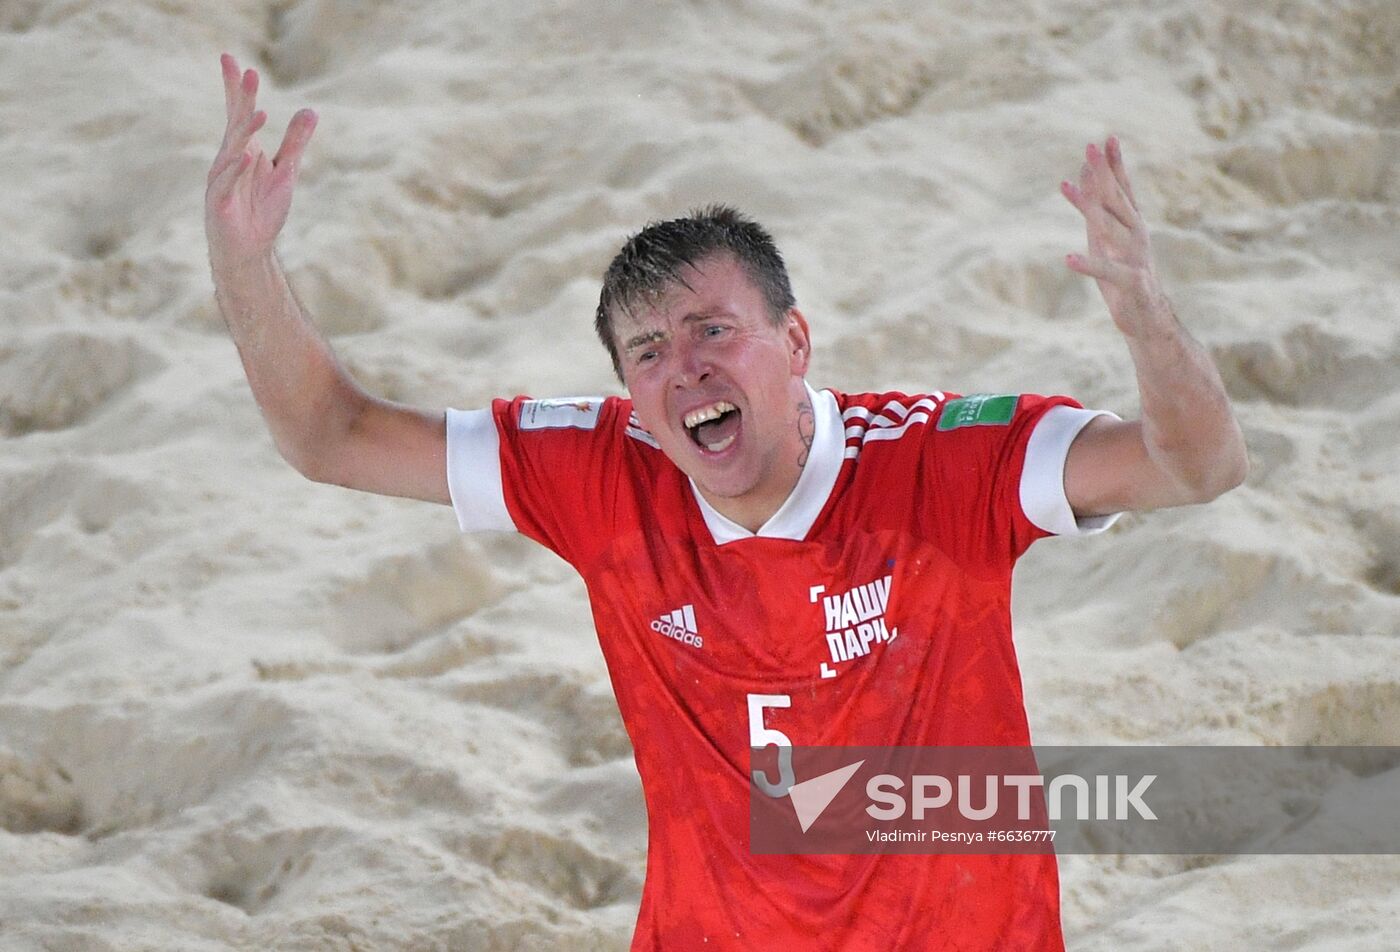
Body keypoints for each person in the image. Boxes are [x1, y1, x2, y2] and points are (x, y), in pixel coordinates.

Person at [205, 51, 1248, 950]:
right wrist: (244, 261)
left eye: (714, 329)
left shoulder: (943, 463)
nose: (687, 369)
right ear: (630, 396)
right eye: (650, 351)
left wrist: (1147, 320)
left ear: (794, 345)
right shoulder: (597, 472)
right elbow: (330, 436)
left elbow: (1195, 468)